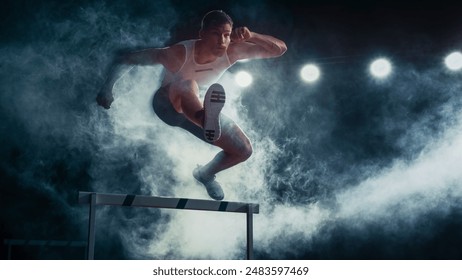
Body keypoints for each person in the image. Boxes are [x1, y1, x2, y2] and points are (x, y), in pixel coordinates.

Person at [96, 10, 287, 200]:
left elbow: (280, 49)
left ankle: (205, 173)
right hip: (167, 105)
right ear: (202, 34)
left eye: (227, 35)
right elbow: (126, 59)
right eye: (215, 34)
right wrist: (107, 88)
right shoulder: (177, 54)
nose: (221, 41)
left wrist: (252, 35)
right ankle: (205, 119)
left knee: (243, 150)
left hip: (197, 112)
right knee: (188, 83)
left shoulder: (232, 51)